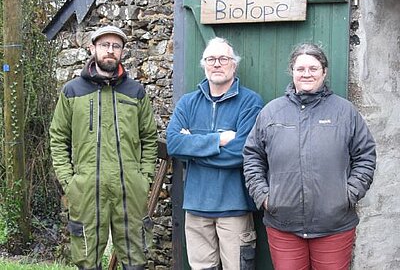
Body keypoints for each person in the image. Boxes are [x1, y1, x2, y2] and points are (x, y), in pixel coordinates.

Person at [243, 43, 376, 270]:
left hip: (334, 225)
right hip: (283, 223)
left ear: (324, 72)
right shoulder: (271, 112)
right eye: (300, 68)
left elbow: (365, 156)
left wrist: (348, 195)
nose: (307, 74)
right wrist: (264, 196)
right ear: (292, 72)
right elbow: (252, 156)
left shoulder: (345, 112)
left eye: (313, 68)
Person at [50, 25, 158, 270]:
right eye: (104, 45)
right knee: (87, 258)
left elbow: (149, 138)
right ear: (92, 48)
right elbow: (58, 137)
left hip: (129, 188)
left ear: (122, 51)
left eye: (116, 46)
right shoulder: (72, 91)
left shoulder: (135, 92)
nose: (110, 51)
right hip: (87, 188)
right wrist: (70, 181)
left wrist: (144, 178)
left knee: (135, 256)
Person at [166, 37, 264, 270]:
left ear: (234, 64)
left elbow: (241, 153)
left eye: (223, 58)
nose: (217, 64)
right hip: (196, 207)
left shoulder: (250, 102)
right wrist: (219, 139)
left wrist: (193, 147)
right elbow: (174, 144)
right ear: (204, 64)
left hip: (234, 207)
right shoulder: (188, 103)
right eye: (211, 59)